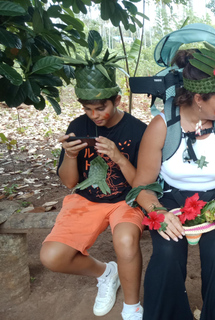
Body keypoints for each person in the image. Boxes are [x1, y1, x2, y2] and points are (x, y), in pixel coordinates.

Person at [130, 43, 215, 320]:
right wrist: (157, 212)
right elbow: (142, 186)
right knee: (167, 255)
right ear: (198, 98)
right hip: (169, 198)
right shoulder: (162, 126)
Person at [39, 31, 147, 319]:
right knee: (51, 256)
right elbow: (70, 183)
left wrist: (119, 157)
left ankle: (132, 305)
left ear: (117, 100)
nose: (95, 115)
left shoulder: (137, 131)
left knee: (125, 240)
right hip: (86, 199)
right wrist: (72, 156)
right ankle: (105, 273)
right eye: (88, 109)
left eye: (101, 107)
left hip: (125, 199)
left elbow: (143, 184)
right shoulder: (78, 125)